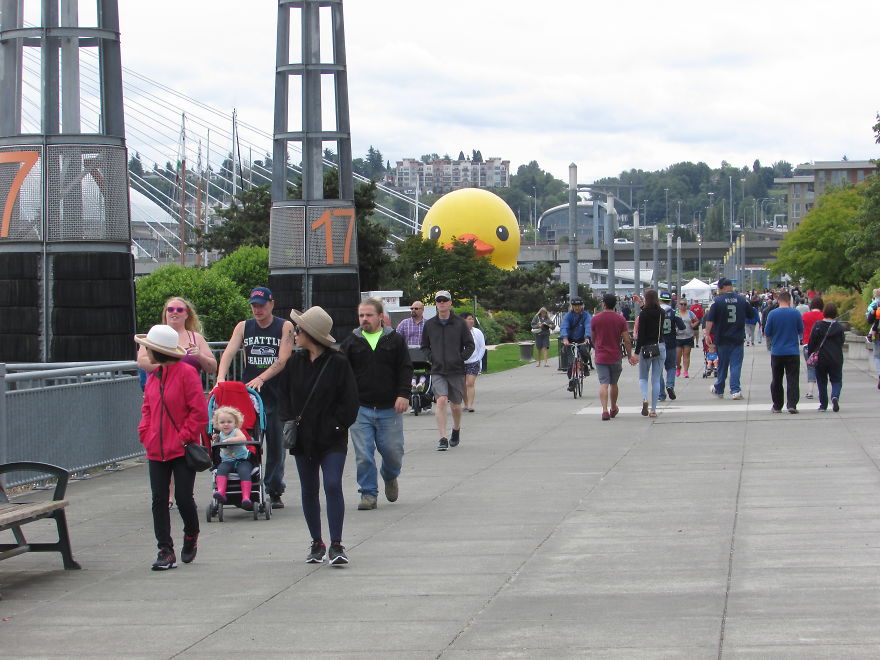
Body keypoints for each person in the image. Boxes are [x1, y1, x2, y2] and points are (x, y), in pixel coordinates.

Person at [279, 307, 358, 566]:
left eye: (299, 330)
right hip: (304, 438)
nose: (295, 334)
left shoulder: (338, 362)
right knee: (309, 489)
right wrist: (289, 420)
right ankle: (316, 542)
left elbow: (350, 402)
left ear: (311, 334)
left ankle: (336, 544)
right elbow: (285, 397)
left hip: (332, 437)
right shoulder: (295, 362)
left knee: (333, 484)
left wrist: (337, 426)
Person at [135, 325, 208, 570]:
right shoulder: (154, 376)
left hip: (181, 447)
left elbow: (199, 412)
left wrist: (183, 436)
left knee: (183, 497)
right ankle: (164, 549)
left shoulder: (187, 373)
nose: (145, 352)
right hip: (156, 447)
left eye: (148, 348)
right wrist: (145, 432)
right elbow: (148, 407)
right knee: (159, 499)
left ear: (157, 352)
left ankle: (191, 534)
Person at [217, 287, 293, 509]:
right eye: (254, 305)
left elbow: (283, 359)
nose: (257, 309)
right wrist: (221, 377)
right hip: (249, 396)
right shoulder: (244, 326)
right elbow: (230, 351)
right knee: (248, 441)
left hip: (276, 394)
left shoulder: (284, 326)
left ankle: (274, 488)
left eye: (261, 305)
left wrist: (262, 377)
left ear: (271, 304)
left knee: (276, 445)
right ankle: (247, 486)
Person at [340, 299, 412, 511]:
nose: (364, 319)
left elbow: (405, 369)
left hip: (389, 408)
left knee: (393, 452)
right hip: (360, 409)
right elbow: (341, 373)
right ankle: (368, 494)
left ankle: (390, 476)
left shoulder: (395, 340)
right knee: (363, 455)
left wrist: (403, 394)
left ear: (380, 316)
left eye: (369, 315)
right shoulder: (351, 342)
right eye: (361, 315)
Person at [421, 290, 474, 451]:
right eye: (439, 300)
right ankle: (442, 438)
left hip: (456, 369)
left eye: (445, 300)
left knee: (456, 405)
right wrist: (431, 357)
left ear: (450, 303)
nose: (442, 303)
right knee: (441, 400)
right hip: (438, 369)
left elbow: (470, 345)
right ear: (436, 304)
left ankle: (456, 429)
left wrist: (460, 357)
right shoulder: (430, 324)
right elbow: (424, 346)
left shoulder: (459, 324)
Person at [704, 278, 757, 400]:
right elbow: (751, 314)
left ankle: (719, 388)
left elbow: (710, 319)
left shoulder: (717, 301)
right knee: (736, 365)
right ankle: (735, 390)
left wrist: (707, 334)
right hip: (737, 337)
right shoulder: (742, 300)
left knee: (722, 364)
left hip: (722, 338)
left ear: (722, 287)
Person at [137, 297, 217, 376]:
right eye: (170, 309)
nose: (175, 312)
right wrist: (172, 366)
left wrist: (200, 356)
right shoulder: (154, 334)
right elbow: (142, 362)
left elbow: (212, 367)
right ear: (166, 313)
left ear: (187, 315)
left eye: (180, 310)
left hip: (189, 387)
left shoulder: (197, 338)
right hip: (160, 387)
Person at [590, 294, 638, 420]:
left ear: (604, 304)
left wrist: (597, 347)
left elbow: (593, 337)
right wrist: (629, 355)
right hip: (615, 355)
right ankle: (613, 407)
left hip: (601, 356)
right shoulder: (620, 319)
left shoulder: (595, 319)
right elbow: (627, 340)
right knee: (614, 383)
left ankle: (604, 410)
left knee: (603, 384)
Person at [763, 291, 804, 414]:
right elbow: (800, 329)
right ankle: (792, 404)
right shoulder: (796, 313)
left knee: (776, 379)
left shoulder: (772, 314)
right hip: (792, 351)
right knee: (793, 379)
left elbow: (767, 332)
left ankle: (777, 405)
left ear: (778, 300)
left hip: (777, 351)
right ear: (789, 300)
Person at [210, 406, 255, 511]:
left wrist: (230, 440)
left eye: (229, 422)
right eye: (222, 422)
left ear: (235, 423)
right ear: (218, 424)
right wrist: (215, 439)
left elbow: (242, 438)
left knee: (244, 472)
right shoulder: (220, 434)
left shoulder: (236, 431)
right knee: (221, 470)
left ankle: (246, 497)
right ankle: (221, 491)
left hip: (242, 460)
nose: (226, 424)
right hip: (227, 461)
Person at [808, 302, 845, 412]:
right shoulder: (839, 327)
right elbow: (841, 342)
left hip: (821, 357)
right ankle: (835, 396)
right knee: (836, 380)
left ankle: (823, 405)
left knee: (821, 381)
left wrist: (811, 353)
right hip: (836, 357)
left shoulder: (818, 325)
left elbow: (812, 342)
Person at [634, 290, 665, 418]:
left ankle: (645, 398)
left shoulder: (643, 314)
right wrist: (641, 303)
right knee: (656, 379)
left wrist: (636, 353)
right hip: (660, 347)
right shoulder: (662, 313)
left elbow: (641, 336)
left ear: (646, 300)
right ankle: (653, 410)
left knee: (643, 377)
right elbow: (653, 312)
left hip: (646, 348)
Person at [560, 296, 592, 392]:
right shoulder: (568, 316)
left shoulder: (586, 315)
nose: (577, 308)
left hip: (582, 339)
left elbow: (588, 325)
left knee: (584, 352)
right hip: (570, 340)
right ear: (572, 306)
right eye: (575, 306)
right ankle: (572, 383)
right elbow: (564, 326)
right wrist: (565, 338)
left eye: (578, 306)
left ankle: (585, 365)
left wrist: (587, 337)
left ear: (582, 306)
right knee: (570, 363)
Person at [658, 291, 684, 401]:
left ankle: (661, 394)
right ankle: (670, 385)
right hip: (671, 343)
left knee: (657, 370)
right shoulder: (674, 312)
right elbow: (682, 326)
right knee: (671, 367)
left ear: (659, 300)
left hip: (658, 343)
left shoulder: (655, 312)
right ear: (670, 301)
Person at [461, 312, 487, 412]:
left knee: (470, 383)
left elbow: (482, 347)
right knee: (462, 384)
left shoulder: (477, 332)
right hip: (461, 362)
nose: (471, 321)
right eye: (469, 319)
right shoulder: (458, 332)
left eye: (472, 319)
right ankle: (466, 404)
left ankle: (470, 405)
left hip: (474, 362)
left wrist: (478, 359)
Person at [801, 297, 825, 399]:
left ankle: (810, 391)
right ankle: (821, 391)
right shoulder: (824, 316)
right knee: (821, 369)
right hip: (822, 347)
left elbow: (801, 329)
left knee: (810, 368)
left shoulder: (805, 316)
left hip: (808, 345)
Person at [675, 300, 698, 378]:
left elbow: (697, 321)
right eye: (681, 304)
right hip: (678, 337)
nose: (683, 306)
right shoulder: (676, 313)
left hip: (688, 336)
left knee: (686, 355)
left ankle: (686, 371)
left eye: (685, 304)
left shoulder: (690, 313)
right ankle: (678, 367)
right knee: (677, 355)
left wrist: (693, 325)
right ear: (679, 305)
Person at [865, 288, 880, 389]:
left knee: (877, 356)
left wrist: (871, 313)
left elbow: (870, 319)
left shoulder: (876, 304)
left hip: (878, 333)